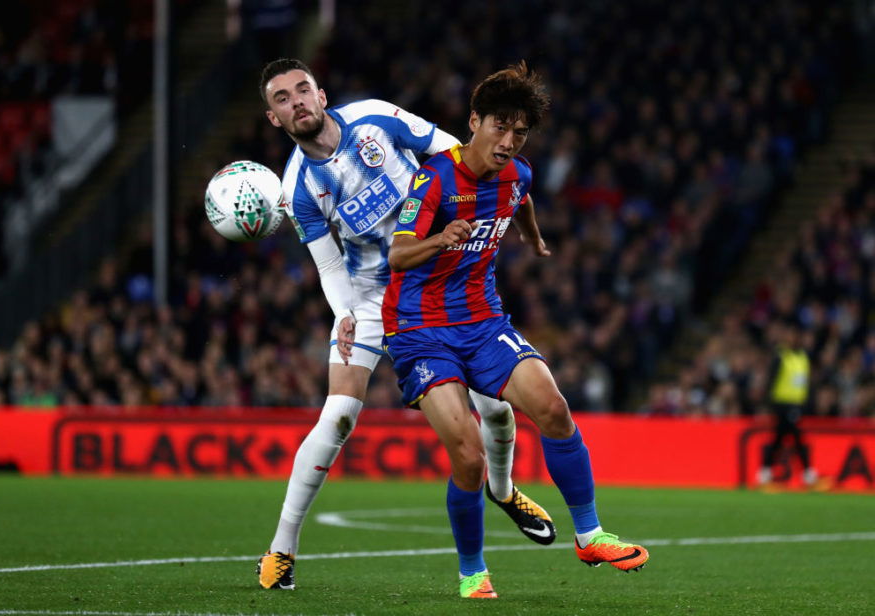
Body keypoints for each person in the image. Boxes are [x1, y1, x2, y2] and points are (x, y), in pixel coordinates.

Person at [255, 58, 556, 590]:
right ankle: (282, 549)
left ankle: (503, 490)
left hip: (440, 281)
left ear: (321, 95)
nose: (296, 101)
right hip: (373, 297)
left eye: (303, 89)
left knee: (497, 410)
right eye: (283, 98)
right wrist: (345, 314)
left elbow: (455, 152)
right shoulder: (297, 186)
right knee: (338, 416)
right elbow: (329, 264)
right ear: (274, 118)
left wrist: (492, 212)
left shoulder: (375, 118)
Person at [383, 61, 649, 599]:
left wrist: (533, 237)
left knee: (553, 407)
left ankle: (590, 536)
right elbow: (398, 254)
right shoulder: (435, 178)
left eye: (520, 132)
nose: (508, 142)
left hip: (483, 321)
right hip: (420, 329)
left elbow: (520, 200)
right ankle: (472, 572)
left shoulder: (518, 174)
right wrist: (440, 240)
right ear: (474, 121)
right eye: (500, 127)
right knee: (468, 455)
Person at [756, 321, 828, 491]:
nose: (792, 338)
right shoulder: (781, 356)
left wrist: (808, 403)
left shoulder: (803, 357)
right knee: (796, 437)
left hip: (796, 404)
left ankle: (764, 474)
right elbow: (771, 380)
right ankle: (808, 475)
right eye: (789, 335)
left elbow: (806, 383)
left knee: (779, 439)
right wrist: (768, 403)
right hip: (782, 403)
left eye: (794, 335)